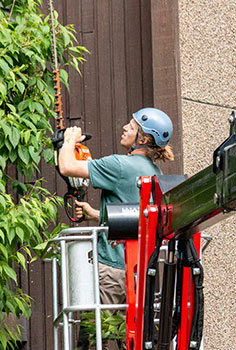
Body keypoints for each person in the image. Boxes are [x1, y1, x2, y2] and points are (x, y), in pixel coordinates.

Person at [58, 107, 174, 349]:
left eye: (130, 127)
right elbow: (137, 218)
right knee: (129, 340)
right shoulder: (155, 172)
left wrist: (68, 140)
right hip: (137, 273)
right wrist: (98, 215)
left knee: (92, 338)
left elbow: (67, 167)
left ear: (142, 139)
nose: (124, 128)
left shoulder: (119, 165)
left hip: (110, 270)